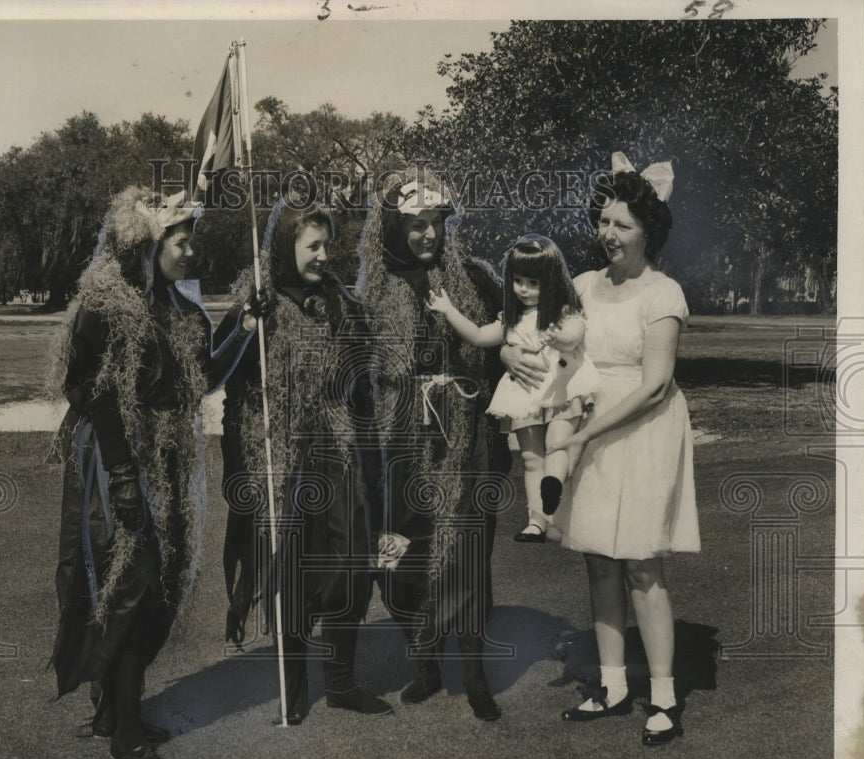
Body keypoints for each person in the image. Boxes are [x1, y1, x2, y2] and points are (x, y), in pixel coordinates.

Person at [49, 186, 259, 759]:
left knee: (155, 586)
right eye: (180, 242)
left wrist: (241, 328)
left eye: (192, 242)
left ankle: (117, 710)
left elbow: (200, 381)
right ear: (147, 245)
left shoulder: (185, 312)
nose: (189, 253)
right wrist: (122, 478)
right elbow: (94, 393)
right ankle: (120, 727)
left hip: (167, 464)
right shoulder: (105, 305)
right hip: (113, 463)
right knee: (125, 585)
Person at [542, 152, 701, 745]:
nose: (608, 234)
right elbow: (560, 354)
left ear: (647, 233)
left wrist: (584, 434)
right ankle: (612, 686)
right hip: (587, 422)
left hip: (640, 431)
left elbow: (655, 383)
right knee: (598, 558)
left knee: (640, 562)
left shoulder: (664, 293)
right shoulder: (582, 286)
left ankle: (663, 696)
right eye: (603, 221)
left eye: (622, 225)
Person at [218, 198, 393, 725]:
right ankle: (293, 687)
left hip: (336, 455)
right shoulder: (255, 303)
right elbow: (227, 381)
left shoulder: (344, 302)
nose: (323, 256)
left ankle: (341, 681)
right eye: (311, 245)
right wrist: (249, 328)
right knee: (290, 571)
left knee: (348, 565)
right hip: (280, 459)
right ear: (284, 245)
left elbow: (364, 382)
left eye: (327, 245)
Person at [356, 169, 508, 721]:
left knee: (468, 558)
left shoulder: (475, 279)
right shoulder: (373, 292)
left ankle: (473, 672)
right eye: (415, 225)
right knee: (404, 559)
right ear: (393, 229)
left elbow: (508, 351)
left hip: (466, 450)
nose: (427, 235)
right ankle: (424, 664)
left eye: (435, 223)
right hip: (401, 453)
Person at [427, 233, 600, 543]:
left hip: (562, 387)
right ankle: (537, 521)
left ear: (552, 281)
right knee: (531, 458)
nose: (525, 289)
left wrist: (555, 336)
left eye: (534, 283)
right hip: (524, 392)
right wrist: (449, 309)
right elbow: (479, 335)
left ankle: (553, 482)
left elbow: (573, 337)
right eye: (519, 281)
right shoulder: (511, 319)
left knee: (558, 443)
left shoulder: (563, 313)